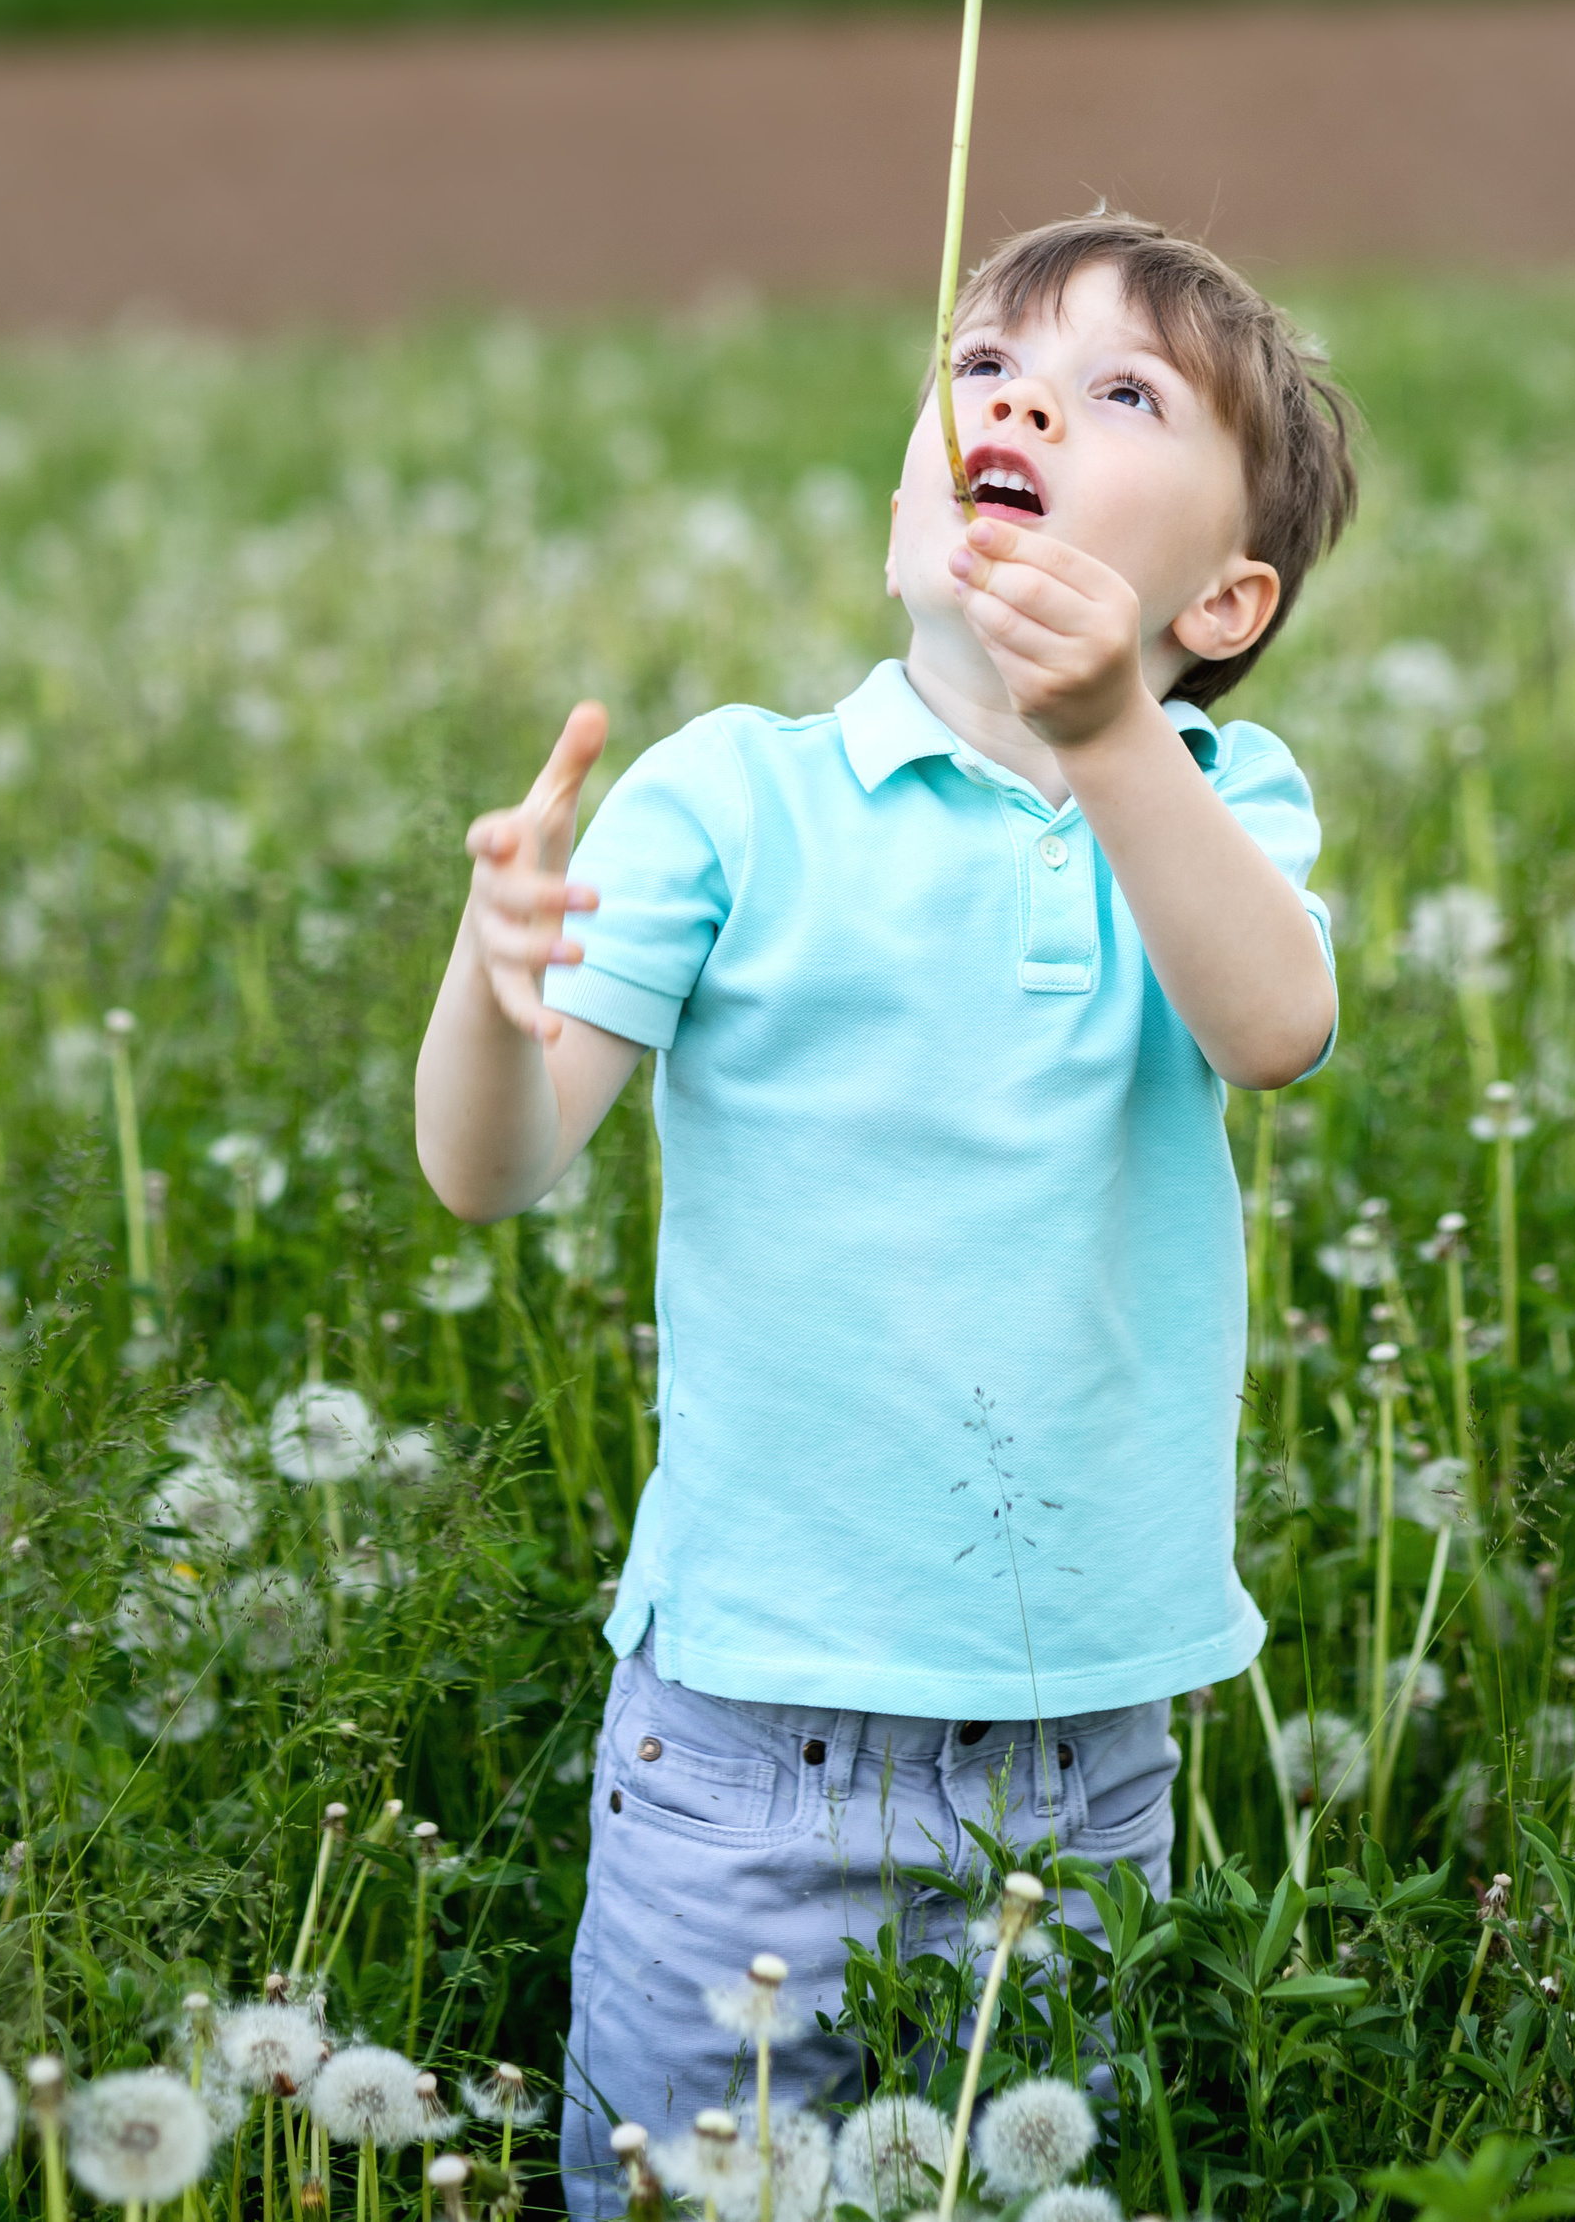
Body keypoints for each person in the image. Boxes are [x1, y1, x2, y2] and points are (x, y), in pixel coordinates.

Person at [412, 213, 1357, 2211]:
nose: (1014, 392)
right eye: (984, 357)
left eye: (1117, 391)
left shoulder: (1216, 798)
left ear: (1222, 598)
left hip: (1081, 1750)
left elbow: (1270, 1026)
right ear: (907, 492)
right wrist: (489, 1000)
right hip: (748, 1746)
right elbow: (489, 1169)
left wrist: (1109, 738)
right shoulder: (726, 802)